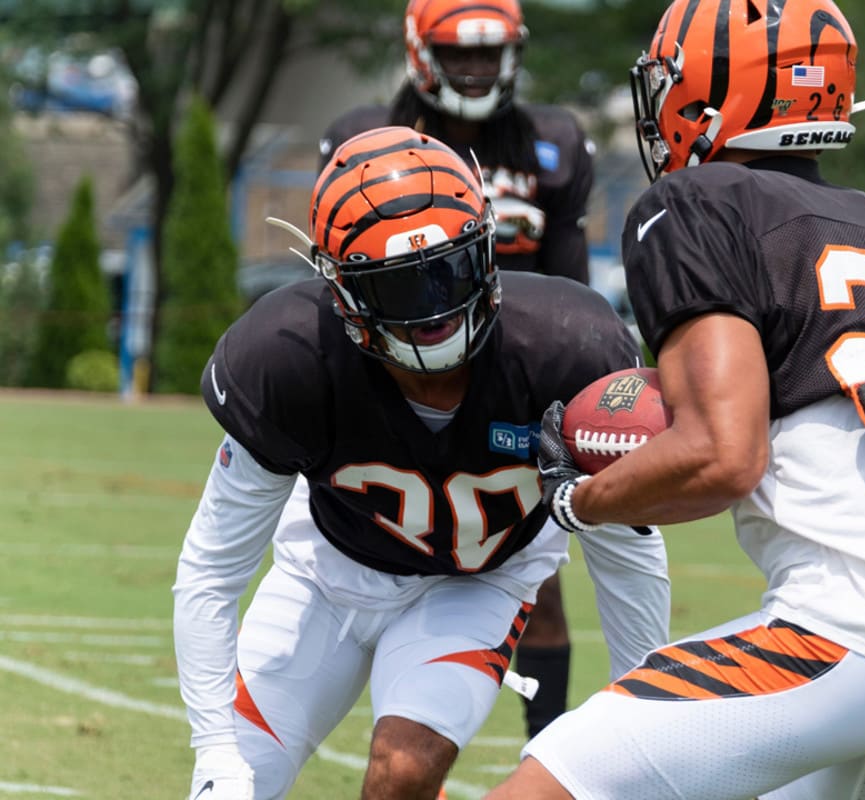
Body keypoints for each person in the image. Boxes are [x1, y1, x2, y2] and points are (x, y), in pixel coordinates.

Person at [485, 1, 865, 798]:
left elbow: (722, 455)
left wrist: (577, 499)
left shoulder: (699, 204)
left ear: (713, 91)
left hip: (848, 632)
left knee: (549, 783)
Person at [173, 126, 670, 800]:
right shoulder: (286, 358)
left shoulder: (569, 347)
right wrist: (214, 750)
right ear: (342, 290)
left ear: (486, 249)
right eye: (400, 287)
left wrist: (640, 723)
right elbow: (212, 568)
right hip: (324, 573)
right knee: (233, 786)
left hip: (477, 583)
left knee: (402, 773)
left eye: (449, 270)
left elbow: (628, 547)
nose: (435, 309)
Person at [317, 0, 597, 737]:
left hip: (509, 376)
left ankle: (546, 753)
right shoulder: (362, 139)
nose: (475, 67)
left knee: (538, 577)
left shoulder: (553, 142)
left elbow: (571, 293)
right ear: (420, 51)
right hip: (390, 377)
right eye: (458, 52)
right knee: (367, 558)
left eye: (488, 51)